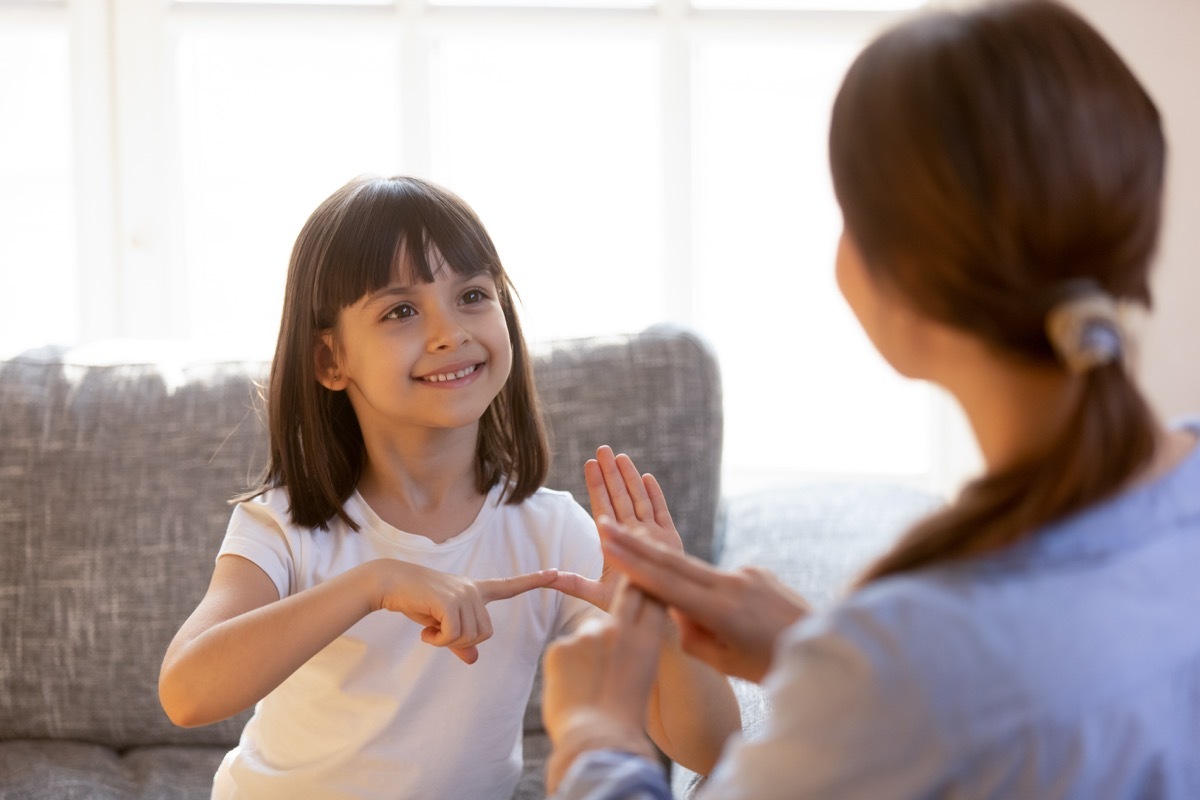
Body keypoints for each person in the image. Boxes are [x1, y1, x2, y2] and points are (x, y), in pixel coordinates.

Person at [540, 0, 1200, 797]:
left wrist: (593, 737)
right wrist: (814, 654)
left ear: (899, 286)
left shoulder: (907, 662)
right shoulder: (902, 669)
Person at [157, 175, 739, 799]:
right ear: (331, 360)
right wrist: (375, 583)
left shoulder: (551, 531)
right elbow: (188, 692)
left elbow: (713, 750)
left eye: (472, 295)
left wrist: (667, 615)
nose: (450, 332)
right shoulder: (285, 526)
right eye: (401, 310)